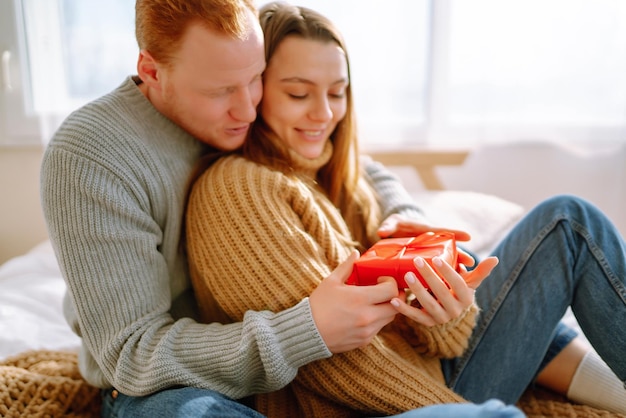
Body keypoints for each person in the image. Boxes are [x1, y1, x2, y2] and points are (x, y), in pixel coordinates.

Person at [185, 1, 626, 417]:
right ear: (257, 92)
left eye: (337, 93)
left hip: (436, 376)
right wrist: (462, 411)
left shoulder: (341, 183)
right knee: (569, 223)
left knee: (549, 254)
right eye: (299, 94)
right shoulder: (238, 190)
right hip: (404, 402)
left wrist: (448, 309)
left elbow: (444, 340)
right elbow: (327, 361)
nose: (323, 113)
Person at [38, 0, 452, 417]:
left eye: (257, 79)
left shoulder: (238, 106)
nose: (249, 109)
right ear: (151, 71)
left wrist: (404, 214)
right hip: (160, 384)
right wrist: (305, 330)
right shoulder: (92, 154)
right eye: (220, 91)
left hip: (267, 379)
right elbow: (132, 356)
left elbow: (353, 162)